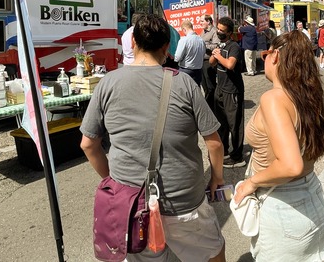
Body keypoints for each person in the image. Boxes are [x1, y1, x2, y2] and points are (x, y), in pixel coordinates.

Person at [80, 13, 227, 262]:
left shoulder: (108, 83)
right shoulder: (185, 85)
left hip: (130, 203)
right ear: (166, 47)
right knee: (213, 253)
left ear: (133, 43)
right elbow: (214, 142)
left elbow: (88, 144)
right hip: (184, 201)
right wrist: (217, 178)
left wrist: (113, 180)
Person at [234, 30, 324, 261]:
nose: (264, 58)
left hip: (283, 204)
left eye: (265, 53)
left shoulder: (274, 98)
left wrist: (251, 182)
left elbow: (290, 165)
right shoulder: (308, 94)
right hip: (312, 196)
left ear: (275, 56)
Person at [211, 17, 247, 168]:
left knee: (235, 124)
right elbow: (212, 63)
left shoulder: (234, 47)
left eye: (222, 30)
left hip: (232, 91)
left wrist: (219, 56)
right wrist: (214, 55)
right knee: (221, 122)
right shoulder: (221, 44)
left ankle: (237, 157)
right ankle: (224, 150)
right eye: (218, 29)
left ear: (229, 32)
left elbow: (230, 65)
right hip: (220, 89)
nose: (219, 32)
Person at [174, 20, 205, 85]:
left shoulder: (184, 40)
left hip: (186, 70)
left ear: (184, 29)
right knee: (196, 91)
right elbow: (203, 54)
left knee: (184, 91)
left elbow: (177, 58)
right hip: (198, 71)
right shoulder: (201, 40)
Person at [201, 15, 220, 111]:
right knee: (205, 86)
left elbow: (216, 46)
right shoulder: (203, 32)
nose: (200, 23)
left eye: (202, 21)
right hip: (202, 62)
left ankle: (213, 106)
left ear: (208, 22)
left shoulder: (214, 32)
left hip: (209, 62)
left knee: (210, 86)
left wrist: (204, 45)